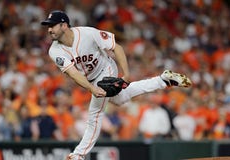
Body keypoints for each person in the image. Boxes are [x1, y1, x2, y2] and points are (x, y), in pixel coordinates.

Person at [40, 10, 192, 160]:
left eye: (52, 25)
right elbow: (73, 73)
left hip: (106, 69)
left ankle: (78, 155)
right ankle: (163, 80)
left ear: (64, 25)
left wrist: (125, 75)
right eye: (48, 26)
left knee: (95, 113)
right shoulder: (54, 50)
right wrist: (92, 88)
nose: (49, 29)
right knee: (121, 98)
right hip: (92, 80)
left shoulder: (87, 34)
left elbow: (116, 47)